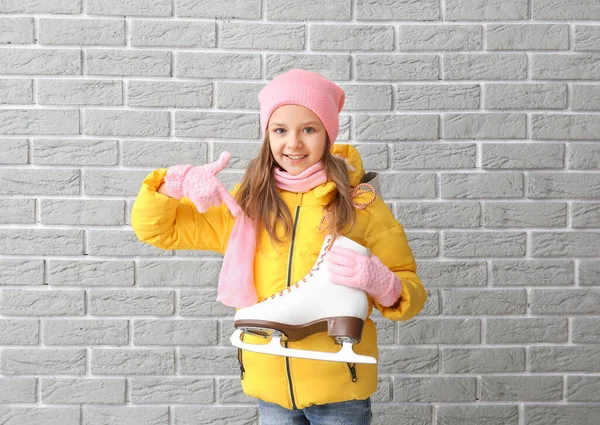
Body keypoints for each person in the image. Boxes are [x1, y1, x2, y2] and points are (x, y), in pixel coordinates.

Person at [131, 69, 427, 425]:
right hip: (269, 386)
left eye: (309, 129)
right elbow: (158, 230)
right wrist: (172, 184)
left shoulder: (358, 203)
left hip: (339, 387)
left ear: (328, 133)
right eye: (280, 130)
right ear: (267, 133)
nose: (294, 144)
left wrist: (385, 283)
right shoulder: (247, 203)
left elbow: (411, 292)